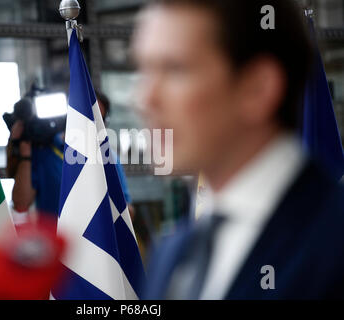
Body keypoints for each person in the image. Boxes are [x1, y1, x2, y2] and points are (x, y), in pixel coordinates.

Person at [133, 0, 344, 299]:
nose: (144, 99)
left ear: (257, 87)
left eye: (175, 69)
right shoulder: (172, 254)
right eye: (143, 70)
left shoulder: (333, 240)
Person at [10, 91, 133, 228]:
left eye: (95, 119)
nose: (87, 122)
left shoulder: (108, 157)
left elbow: (128, 213)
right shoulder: (45, 151)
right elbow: (20, 204)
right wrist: (25, 152)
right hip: (56, 244)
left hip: (96, 244)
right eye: (82, 114)